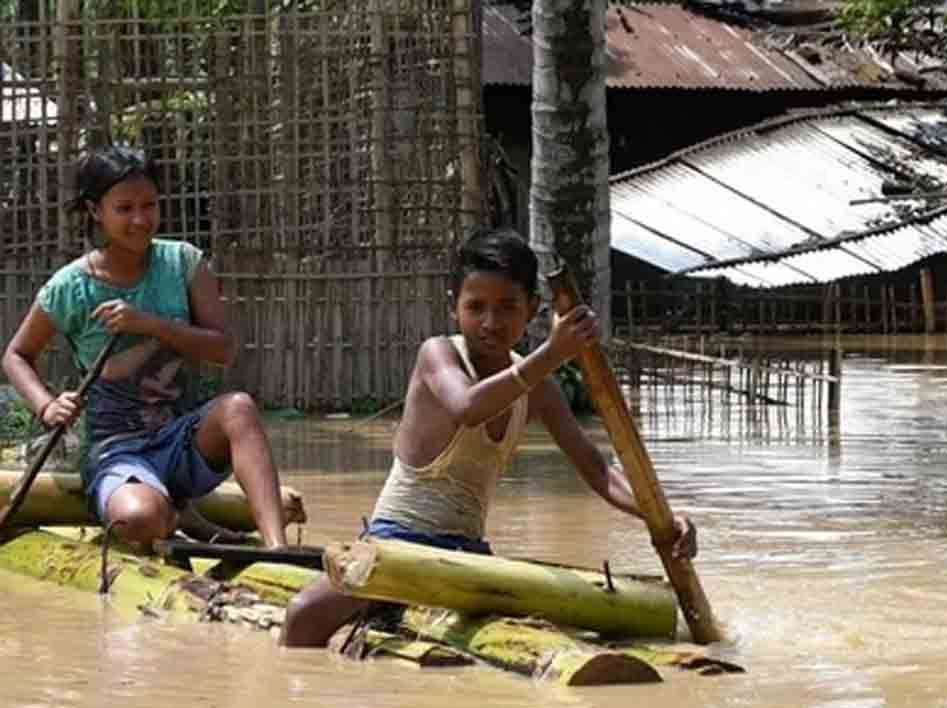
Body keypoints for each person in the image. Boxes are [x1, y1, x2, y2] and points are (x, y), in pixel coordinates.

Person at [279, 227, 697, 647]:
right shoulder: (438, 354)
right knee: (301, 614)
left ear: (532, 309)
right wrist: (552, 353)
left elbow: (597, 470)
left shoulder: (540, 389)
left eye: (507, 307)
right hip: (397, 542)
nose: (491, 323)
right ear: (454, 307)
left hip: (468, 555)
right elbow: (468, 406)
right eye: (475, 307)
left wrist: (662, 518)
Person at [1, 144, 288, 548]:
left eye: (149, 205)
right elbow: (16, 355)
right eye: (124, 209)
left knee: (238, 408)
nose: (140, 219)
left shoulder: (182, 263)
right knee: (138, 518)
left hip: (183, 440)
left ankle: (277, 546)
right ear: (95, 210)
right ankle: (174, 515)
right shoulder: (71, 286)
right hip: (116, 452)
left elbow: (223, 349)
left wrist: (150, 325)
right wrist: (47, 405)